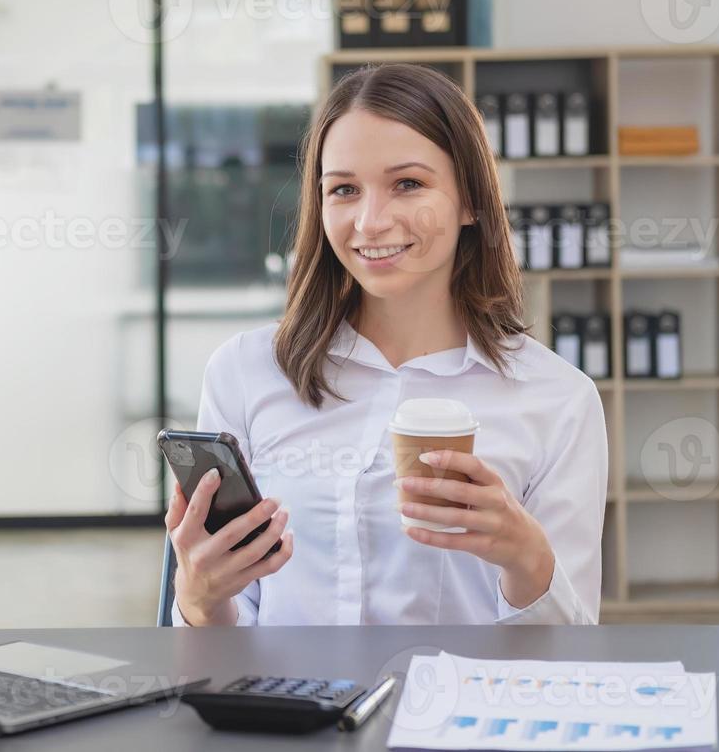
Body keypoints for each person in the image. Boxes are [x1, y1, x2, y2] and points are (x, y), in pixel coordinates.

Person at [164, 63, 607, 627]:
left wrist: (527, 561)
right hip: (291, 712)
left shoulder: (558, 400)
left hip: (459, 710)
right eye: (344, 190)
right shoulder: (246, 373)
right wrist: (199, 600)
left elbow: (569, 653)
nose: (370, 222)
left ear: (470, 200)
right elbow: (225, 636)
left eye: (408, 184)